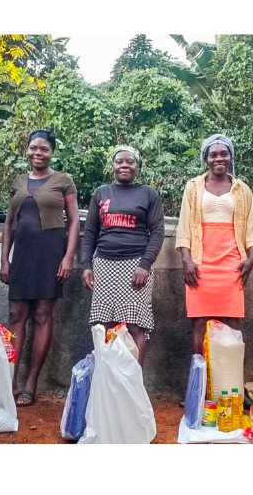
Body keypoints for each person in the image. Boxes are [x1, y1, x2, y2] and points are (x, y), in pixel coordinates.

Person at [0, 127, 81, 407]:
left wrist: (68, 257)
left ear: (51, 152)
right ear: (28, 150)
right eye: (34, 148)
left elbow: (74, 222)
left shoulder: (63, 180)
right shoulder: (18, 181)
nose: (38, 153)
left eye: (44, 149)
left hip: (51, 253)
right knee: (16, 314)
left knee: (43, 314)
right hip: (22, 255)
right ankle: (10, 379)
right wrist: (4, 259)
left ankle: (31, 382)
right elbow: (9, 223)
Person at [176, 134, 253, 357]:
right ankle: (199, 384)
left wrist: (251, 258)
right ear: (206, 159)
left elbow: (251, 227)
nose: (219, 158)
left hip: (232, 263)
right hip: (200, 262)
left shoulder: (242, 189)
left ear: (231, 157)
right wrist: (187, 261)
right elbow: (184, 225)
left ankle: (229, 384)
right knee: (199, 322)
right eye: (213, 155)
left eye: (224, 154)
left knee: (232, 322)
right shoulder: (193, 187)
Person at [81, 147, 165, 365]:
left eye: (130, 162)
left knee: (134, 325)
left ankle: (133, 382)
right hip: (104, 265)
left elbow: (157, 232)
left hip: (136, 265)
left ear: (137, 167)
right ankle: (107, 381)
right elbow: (90, 232)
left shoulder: (148, 194)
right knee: (104, 324)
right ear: (113, 166)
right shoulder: (101, 193)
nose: (125, 165)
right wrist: (87, 265)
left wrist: (145, 264)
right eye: (120, 162)